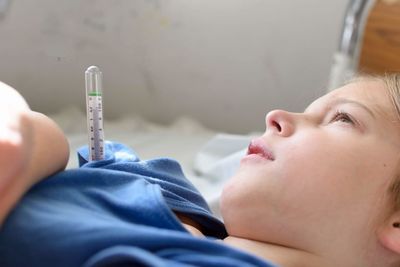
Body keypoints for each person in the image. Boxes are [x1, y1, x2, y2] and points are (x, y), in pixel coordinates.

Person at [1, 74, 400, 267]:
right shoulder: (170, 188)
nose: (276, 116)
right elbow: (72, 151)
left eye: (342, 119)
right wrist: (35, 143)